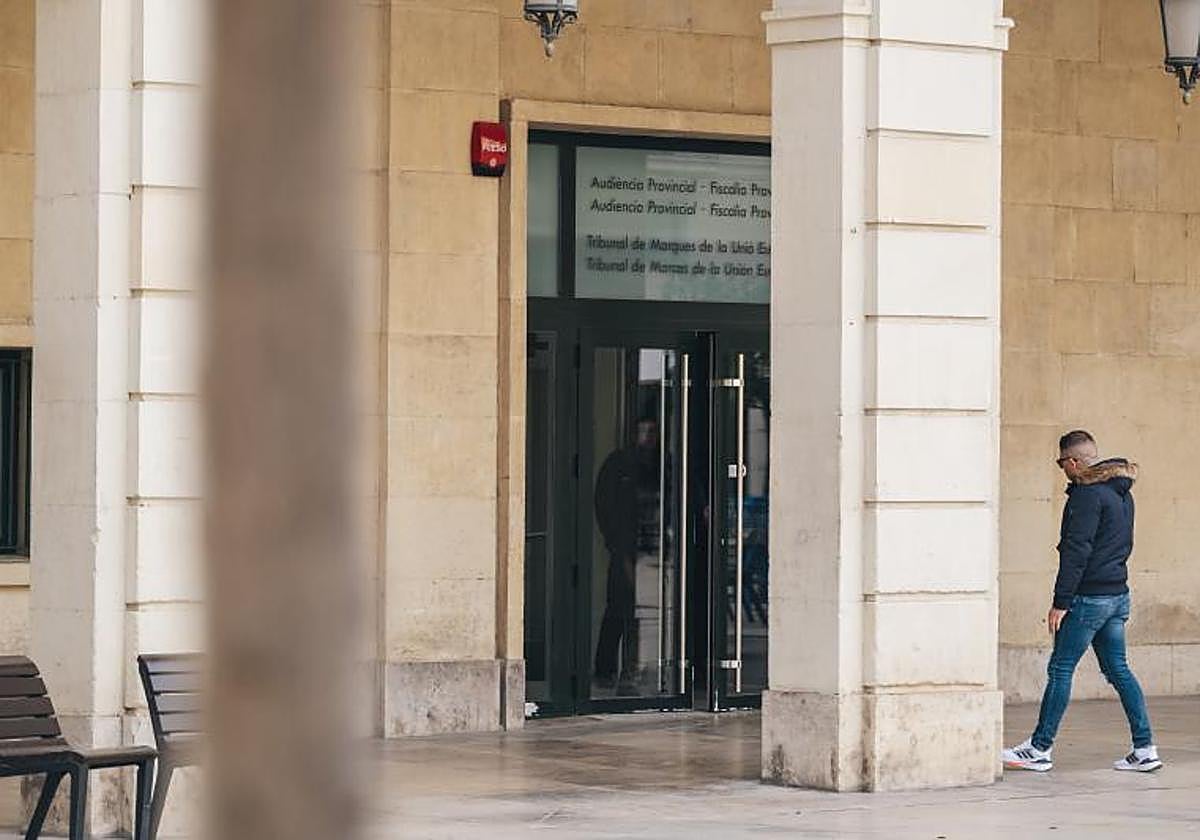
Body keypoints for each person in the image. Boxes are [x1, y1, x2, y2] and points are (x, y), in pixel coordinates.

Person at [1003, 430, 1162, 773]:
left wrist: (1061, 602)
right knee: (1118, 669)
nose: (1062, 469)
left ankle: (1039, 748)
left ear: (1073, 461)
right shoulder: (1121, 493)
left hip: (1089, 598)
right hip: (1117, 595)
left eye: (1061, 463)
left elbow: (1076, 551)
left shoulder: (1086, 495)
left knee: (1060, 668)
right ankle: (1145, 749)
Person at [592, 417, 661, 691]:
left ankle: (635, 669)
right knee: (619, 608)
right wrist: (614, 540)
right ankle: (606, 669)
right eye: (643, 431)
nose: (647, 437)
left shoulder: (663, 464)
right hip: (625, 548)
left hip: (656, 548)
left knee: (646, 612)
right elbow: (603, 503)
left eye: (652, 431)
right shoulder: (618, 463)